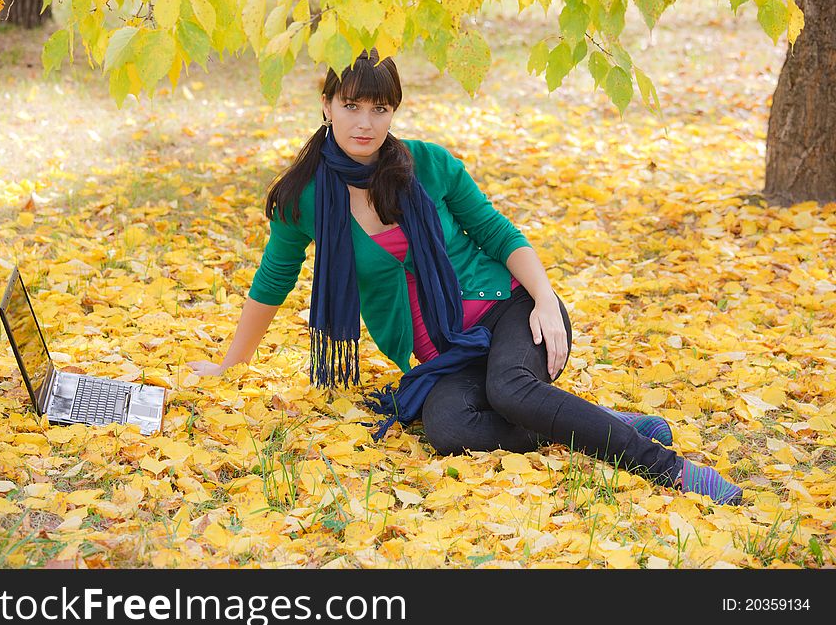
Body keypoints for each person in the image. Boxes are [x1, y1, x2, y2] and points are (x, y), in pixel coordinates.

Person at [187, 49, 742, 506]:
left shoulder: (429, 165)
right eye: (351, 104)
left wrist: (545, 301)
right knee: (451, 430)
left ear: (394, 112)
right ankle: (595, 422)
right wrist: (231, 363)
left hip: (510, 312)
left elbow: (499, 235)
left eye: (379, 108)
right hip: (445, 355)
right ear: (327, 104)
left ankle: (669, 469)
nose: (364, 122)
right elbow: (272, 280)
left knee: (509, 387)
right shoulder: (303, 197)